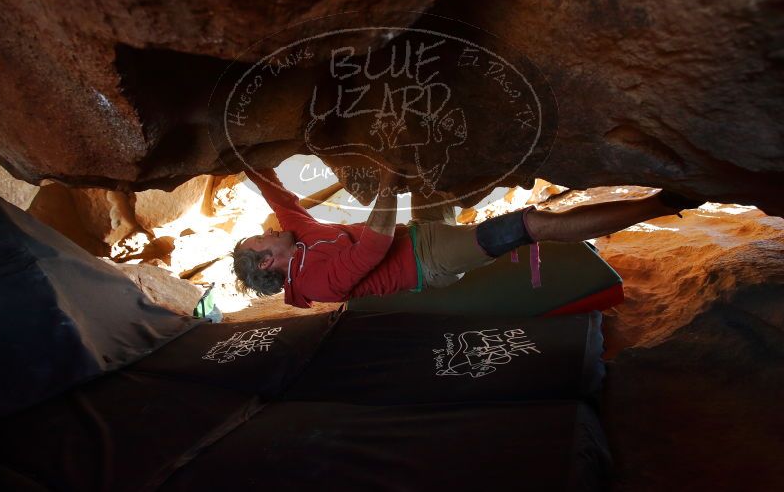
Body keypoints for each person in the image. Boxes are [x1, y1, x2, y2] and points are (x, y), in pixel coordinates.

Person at [233, 168, 701, 308]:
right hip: (429, 260)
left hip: (418, 232)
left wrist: (247, 160)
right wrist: (387, 185)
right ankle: (663, 204)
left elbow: (283, 201)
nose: (270, 231)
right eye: (262, 240)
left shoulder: (298, 239)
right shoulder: (315, 283)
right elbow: (373, 246)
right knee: (524, 227)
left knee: (432, 178)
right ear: (269, 264)